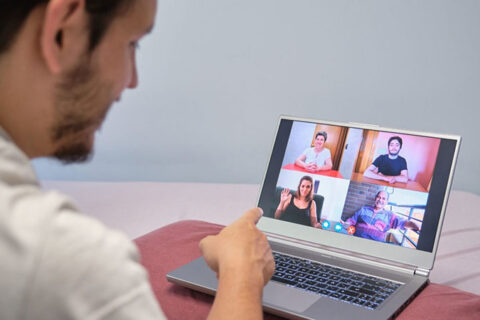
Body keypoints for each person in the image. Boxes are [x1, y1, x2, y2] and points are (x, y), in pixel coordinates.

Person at [0, 1, 274, 319]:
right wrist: (243, 274)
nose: (132, 80)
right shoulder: (62, 259)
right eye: (131, 44)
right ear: (62, 30)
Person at [342, 191, 420, 242]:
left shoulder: (389, 215)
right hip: (356, 240)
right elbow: (351, 221)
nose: (380, 200)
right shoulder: (363, 209)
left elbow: (404, 223)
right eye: (378, 197)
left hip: (375, 246)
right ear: (375, 198)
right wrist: (346, 224)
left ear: (386, 202)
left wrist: (417, 226)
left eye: (383, 198)